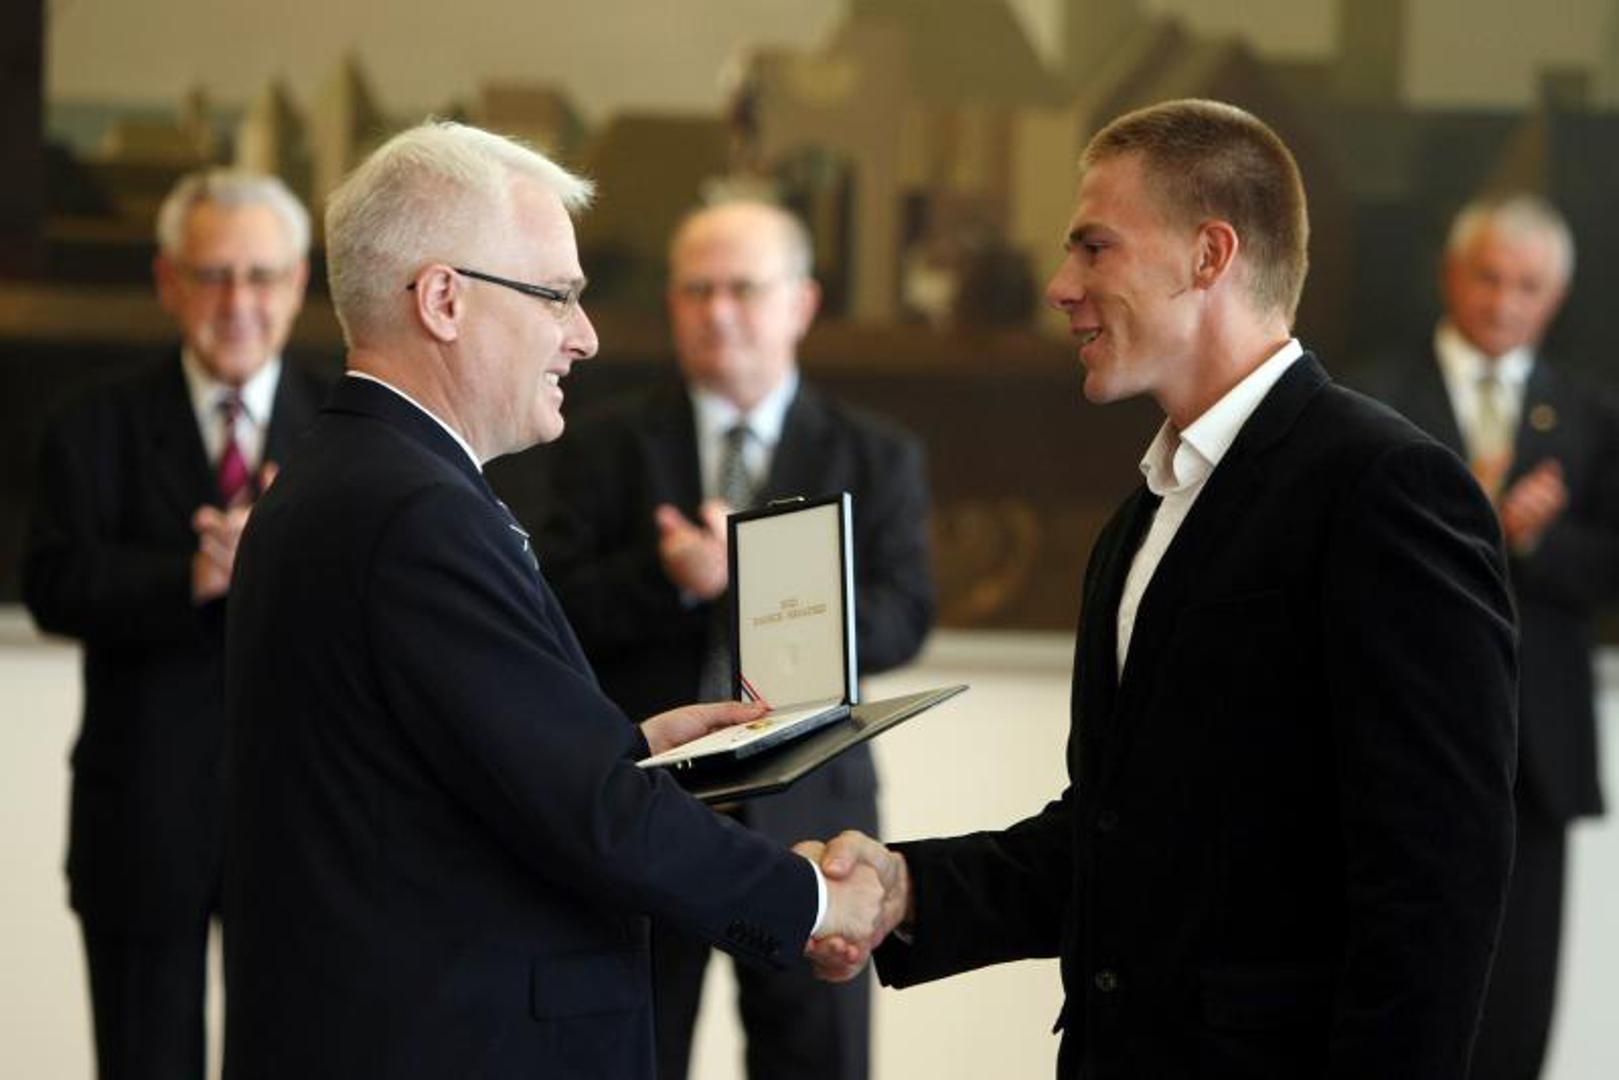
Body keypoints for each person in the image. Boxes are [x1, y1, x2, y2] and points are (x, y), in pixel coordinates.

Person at [804, 98, 1519, 1078]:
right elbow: (1119, 836)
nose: (1060, 286)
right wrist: (905, 887)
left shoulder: (1381, 485)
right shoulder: (1145, 512)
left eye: (1093, 247)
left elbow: (1434, 882)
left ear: (1208, 255)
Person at [220, 122, 884, 1080]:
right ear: (443, 299)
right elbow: (588, 814)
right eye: (556, 296)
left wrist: (627, 749)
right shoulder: (413, 511)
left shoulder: (358, 475)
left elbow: (439, 769)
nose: (584, 335)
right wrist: (813, 902)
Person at [535, 200, 934, 1080]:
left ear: (801, 303)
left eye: (743, 290)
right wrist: (671, 579)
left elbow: (905, 614)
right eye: (697, 290)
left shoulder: (875, 453)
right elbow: (554, 610)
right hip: (646, 806)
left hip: (814, 809)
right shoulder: (600, 444)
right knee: (629, 1052)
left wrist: (762, 589)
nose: (717, 312)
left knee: (817, 1061)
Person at [22, 168, 325, 1080]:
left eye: (261, 276)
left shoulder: (343, 432)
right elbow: (53, 583)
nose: (239, 303)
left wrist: (283, 564)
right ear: (167, 282)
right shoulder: (91, 423)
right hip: (142, 818)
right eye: (213, 275)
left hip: (305, 822)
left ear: (298, 284)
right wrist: (190, 576)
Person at [1359, 194, 1619, 1080]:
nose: (1504, 302)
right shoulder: (1371, 399)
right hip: (1402, 737)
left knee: (1517, 1006)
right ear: (1449, 274)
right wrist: (1466, 518)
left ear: (1556, 297)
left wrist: (1537, 541)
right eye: (1488, 277)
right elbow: (1347, 559)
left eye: (1527, 286)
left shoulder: (1587, 412)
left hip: (1535, 750)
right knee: (1400, 992)